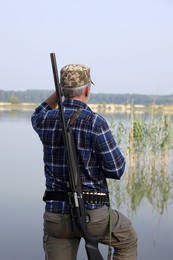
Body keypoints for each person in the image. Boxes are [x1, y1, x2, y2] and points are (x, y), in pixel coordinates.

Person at [31, 64, 138, 260]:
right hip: (94, 215)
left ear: (62, 90)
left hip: (56, 217)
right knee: (127, 239)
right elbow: (116, 170)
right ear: (87, 90)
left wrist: (60, 91)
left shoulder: (44, 120)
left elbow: (38, 112)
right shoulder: (95, 122)